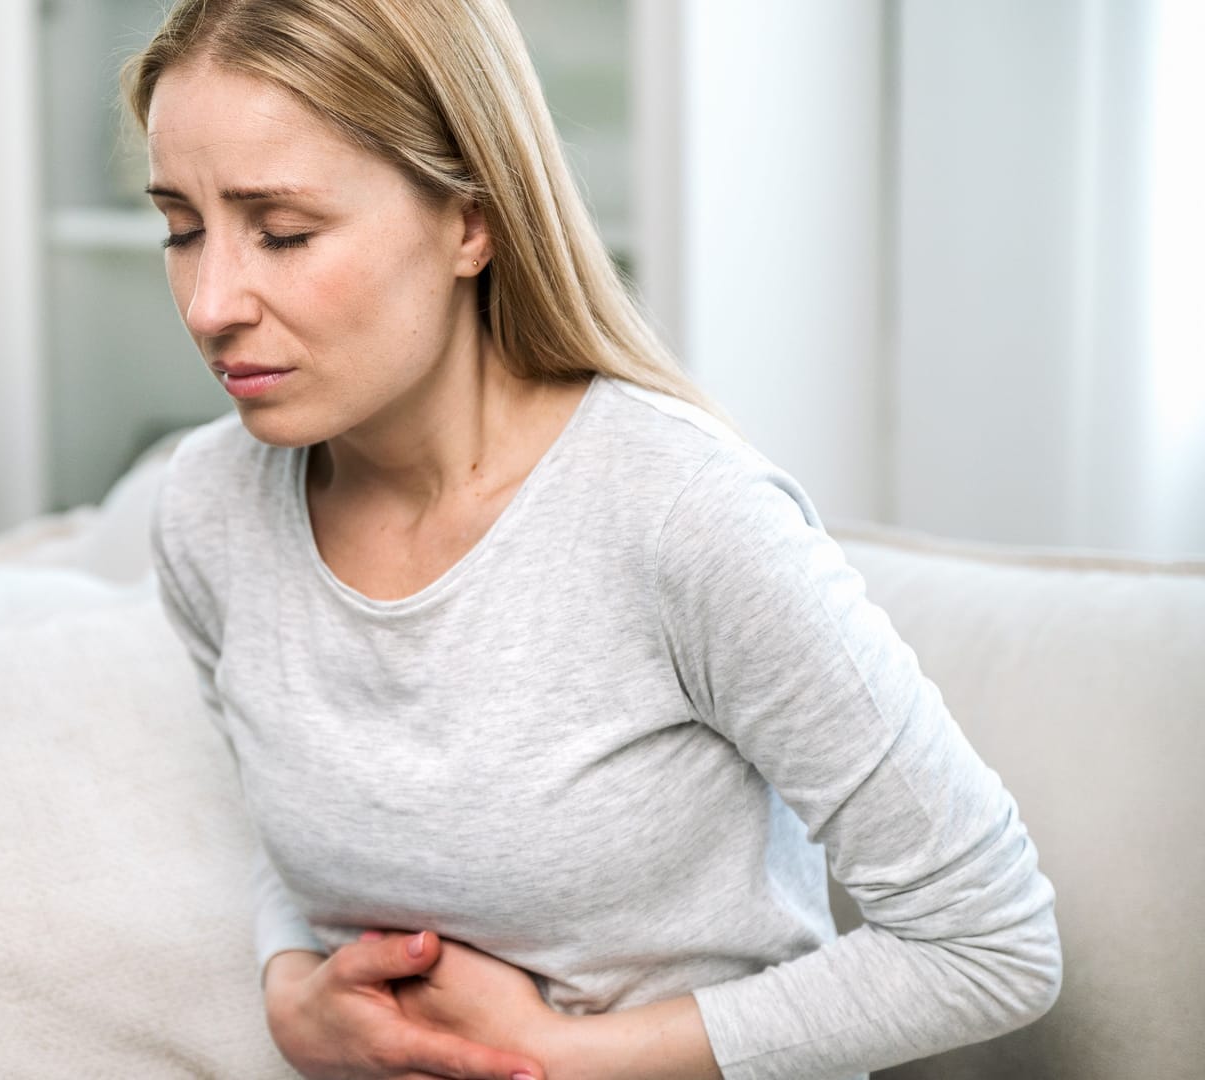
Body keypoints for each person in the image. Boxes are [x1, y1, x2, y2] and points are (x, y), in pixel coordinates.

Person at [128, 2, 1064, 1078]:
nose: (208, 305)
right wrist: (290, 986)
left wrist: (565, 1060)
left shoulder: (683, 513)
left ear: (470, 222)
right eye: (181, 228)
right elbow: (292, 822)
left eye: (283, 233)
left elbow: (994, 943)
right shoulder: (207, 509)